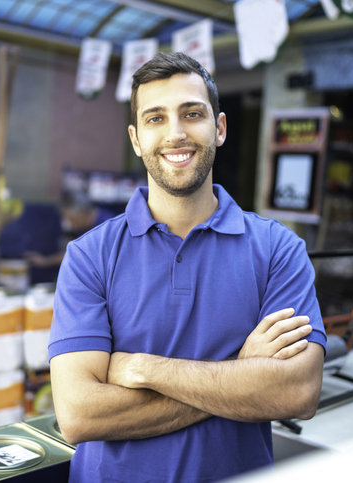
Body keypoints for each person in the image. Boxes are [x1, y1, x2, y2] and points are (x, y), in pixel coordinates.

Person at [48, 52, 326, 483]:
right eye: (155, 118)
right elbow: (79, 415)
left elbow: (298, 391)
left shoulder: (278, 249)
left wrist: (144, 369)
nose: (175, 133)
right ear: (137, 139)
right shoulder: (90, 256)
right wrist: (240, 372)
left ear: (219, 128)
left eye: (192, 113)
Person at [24, 192, 117, 269]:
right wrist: (44, 261)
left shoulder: (107, 226)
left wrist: (45, 261)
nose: (69, 223)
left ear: (82, 213)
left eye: (70, 218)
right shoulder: (81, 227)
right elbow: (72, 253)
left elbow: (80, 255)